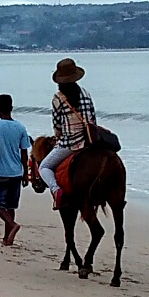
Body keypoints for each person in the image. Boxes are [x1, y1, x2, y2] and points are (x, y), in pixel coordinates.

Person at [37, 58, 96, 207]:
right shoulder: (86, 93)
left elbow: (57, 124)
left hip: (71, 143)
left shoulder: (58, 98)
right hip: (90, 141)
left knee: (44, 166)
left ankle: (56, 190)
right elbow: (93, 119)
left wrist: (58, 137)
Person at [0, 93, 31, 246]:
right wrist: (26, 173)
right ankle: (7, 238)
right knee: (10, 206)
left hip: (1, 172)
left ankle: (12, 225)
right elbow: (24, 153)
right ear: (11, 108)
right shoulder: (20, 127)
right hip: (16, 172)